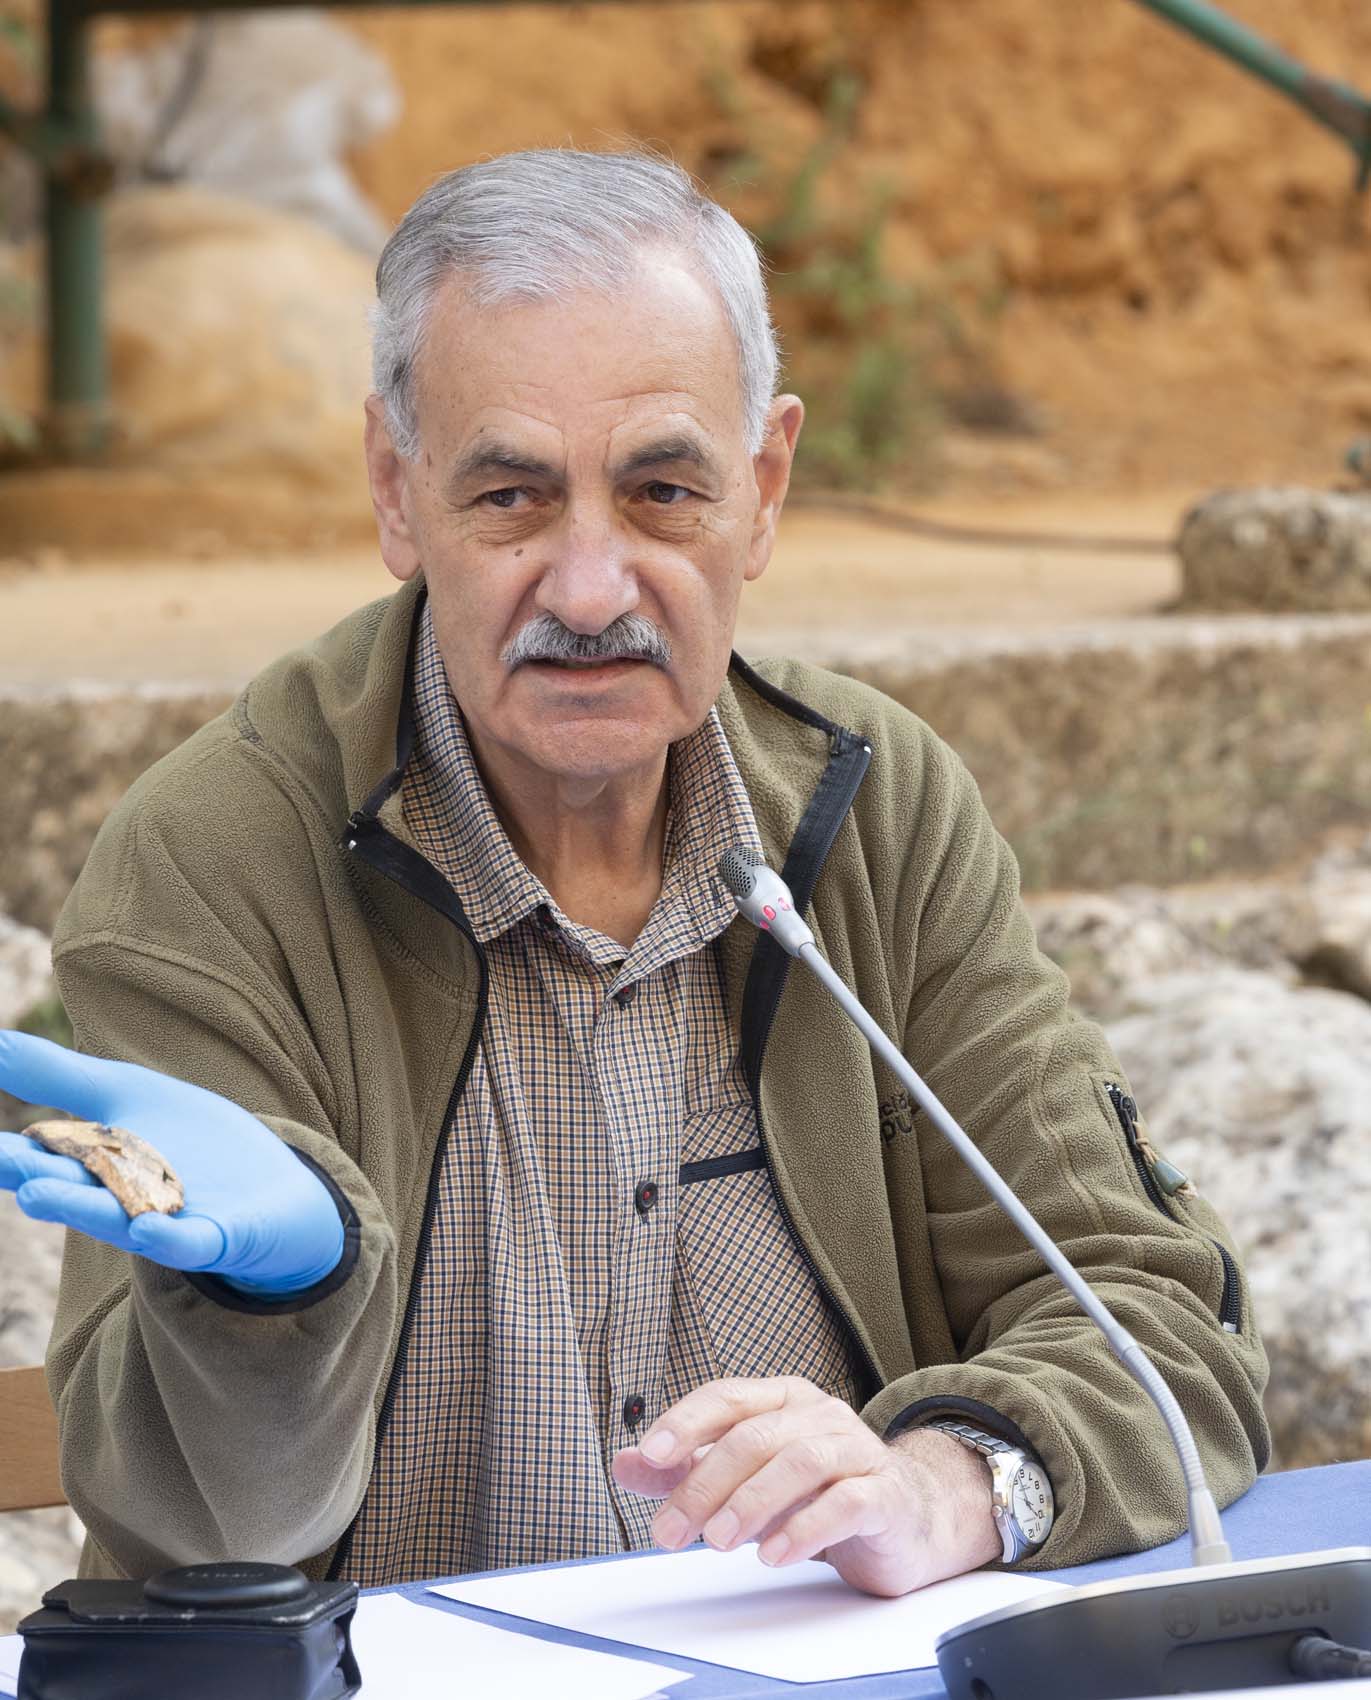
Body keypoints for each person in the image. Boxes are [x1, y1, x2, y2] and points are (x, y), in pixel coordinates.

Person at [0, 149, 1268, 1599]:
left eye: (665, 490)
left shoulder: (876, 815)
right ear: (396, 493)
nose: (592, 589)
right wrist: (269, 1308)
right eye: (512, 499)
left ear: (767, 488)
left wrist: (941, 1483)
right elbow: (192, 1538)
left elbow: (1168, 1330)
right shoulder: (215, 860)